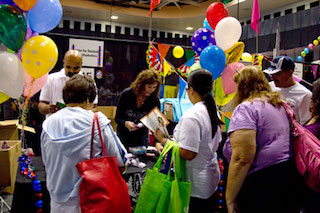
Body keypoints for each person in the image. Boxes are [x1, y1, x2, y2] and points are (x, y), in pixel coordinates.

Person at [223, 66, 307, 213]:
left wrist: (229, 197)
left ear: (242, 86)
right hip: (286, 177)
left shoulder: (247, 109)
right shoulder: (278, 105)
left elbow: (242, 158)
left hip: (262, 183)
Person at [41, 75, 127, 213]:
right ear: (88, 99)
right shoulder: (96, 121)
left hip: (56, 203)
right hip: (90, 201)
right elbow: (120, 159)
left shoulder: (47, 124)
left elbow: (46, 162)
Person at [154, 69, 223, 213]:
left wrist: (163, 140)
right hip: (209, 179)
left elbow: (188, 153)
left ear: (190, 90)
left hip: (195, 186)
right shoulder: (211, 110)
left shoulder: (192, 115)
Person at [38, 50, 98, 117]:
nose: (71, 71)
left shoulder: (88, 82)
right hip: (56, 123)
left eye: (76, 68)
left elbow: (94, 107)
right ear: (64, 63)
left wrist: (82, 113)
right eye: (68, 67)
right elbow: (41, 104)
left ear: (81, 64)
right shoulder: (51, 79)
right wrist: (49, 108)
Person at [115, 69, 161, 149]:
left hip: (141, 140)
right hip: (123, 138)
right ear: (141, 84)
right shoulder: (126, 95)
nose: (151, 90)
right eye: (149, 87)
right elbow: (117, 118)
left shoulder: (154, 100)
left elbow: (157, 125)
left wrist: (158, 143)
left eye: (154, 87)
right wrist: (126, 123)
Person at [264, 55, 312, 125]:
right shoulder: (269, 87)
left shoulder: (305, 95)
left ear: (290, 73)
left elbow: (305, 126)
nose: (273, 78)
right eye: (271, 74)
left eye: (277, 74)